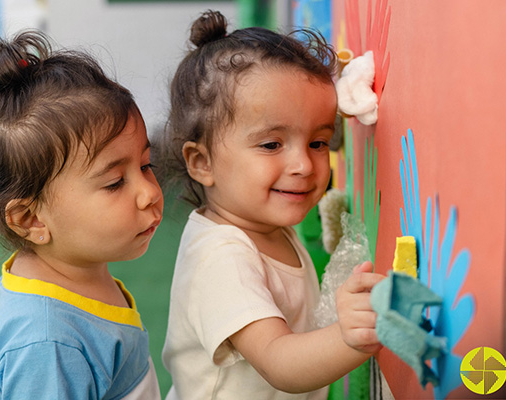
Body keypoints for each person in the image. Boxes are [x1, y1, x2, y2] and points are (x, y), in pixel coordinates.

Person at [156, 10, 386, 399]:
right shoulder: (222, 258)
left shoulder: (265, 227)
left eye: (318, 142)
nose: (303, 165)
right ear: (202, 162)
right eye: (271, 145)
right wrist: (350, 337)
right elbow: (279, 362)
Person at [0, 31, 163, 399]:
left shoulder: (74, 277)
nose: (151, 192)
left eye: (146, 164)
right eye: (114, 183)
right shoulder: (48, 345)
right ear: (31, 219)